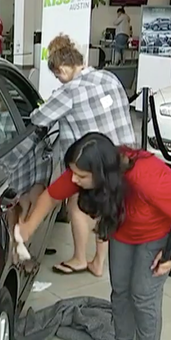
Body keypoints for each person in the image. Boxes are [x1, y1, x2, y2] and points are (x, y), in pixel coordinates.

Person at [17, 133, 171, 340]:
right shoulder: (87, 170)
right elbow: (51, 196)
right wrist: (27, 229)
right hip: (124, 230)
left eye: (80, 176)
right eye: (73, 173)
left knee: (144, 296)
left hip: (156, 235)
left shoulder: (144, 175)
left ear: (101, 173)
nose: (74, 180)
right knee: (121, 290)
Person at [28, 34, 136, 277]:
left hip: (95, 162)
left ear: (64, 68)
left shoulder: (69, 92)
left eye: (57, 75)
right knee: (105, 204)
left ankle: (79, 258)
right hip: (125, 157)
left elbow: (39, 118)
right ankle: (98, 262)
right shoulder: (108, 77)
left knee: (77, 204)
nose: (58, 79)